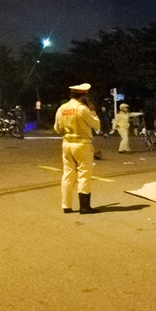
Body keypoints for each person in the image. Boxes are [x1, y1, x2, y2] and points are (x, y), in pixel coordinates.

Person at [53, 83, 101, 214]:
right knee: (84, 175)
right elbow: (96, 125)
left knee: (68, 175)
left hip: (66, 144)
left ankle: (66, 206)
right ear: (84, 96)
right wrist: (92, 110)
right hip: (82, 145)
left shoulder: (62, 108)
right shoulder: (82, 109)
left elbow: (57, 129)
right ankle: (84, 207)